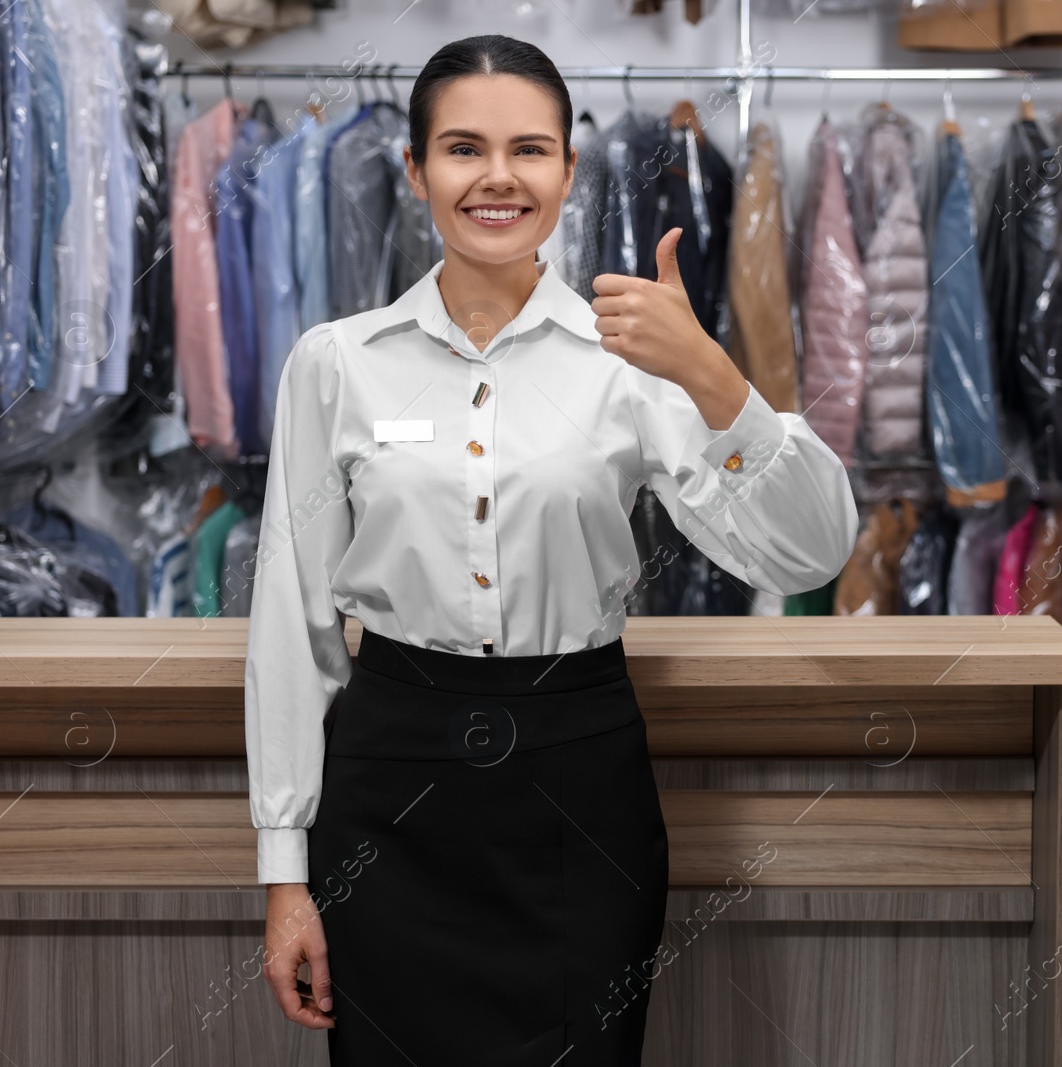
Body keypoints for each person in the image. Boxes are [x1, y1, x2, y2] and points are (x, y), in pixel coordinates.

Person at [244, 33, 858, 1065]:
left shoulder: (638, 359)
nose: (497, 177)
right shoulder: (334, 365)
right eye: (461, 148)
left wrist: (714, 375)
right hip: (389, 790)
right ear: (415, 170)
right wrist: (284, 876)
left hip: (580, 786)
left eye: (529, 148)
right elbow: (291, 629)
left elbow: (807, 554)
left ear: (570, 171)